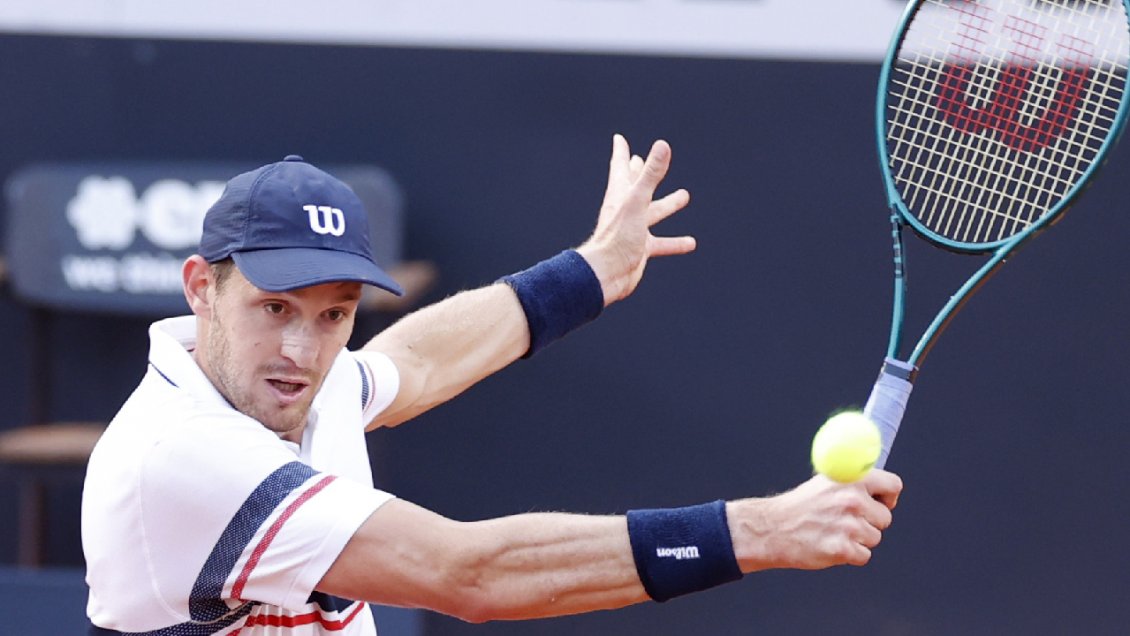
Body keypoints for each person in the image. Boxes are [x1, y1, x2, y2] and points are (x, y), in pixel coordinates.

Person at [81, 136, 903, 634]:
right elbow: (471, 575)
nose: (302, 346)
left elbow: (420, 362)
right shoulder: (181, 456)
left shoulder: (285, 380)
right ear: (200, 288)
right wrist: (762, 531)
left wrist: (588, 271)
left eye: (335, 314)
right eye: (274, 307)